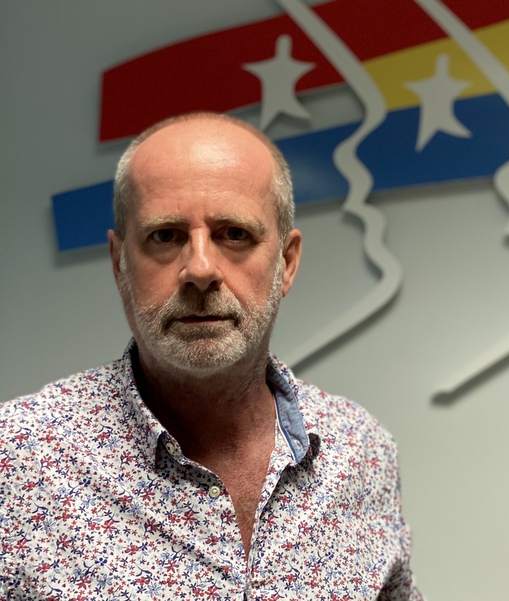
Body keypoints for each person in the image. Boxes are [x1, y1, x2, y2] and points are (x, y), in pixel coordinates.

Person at [0, 113, 422, 600]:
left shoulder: (362, 450)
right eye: (165, 235)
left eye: (234, 234)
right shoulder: (19, 459)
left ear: (286, 263)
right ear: (119, 263)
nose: (200, 269)